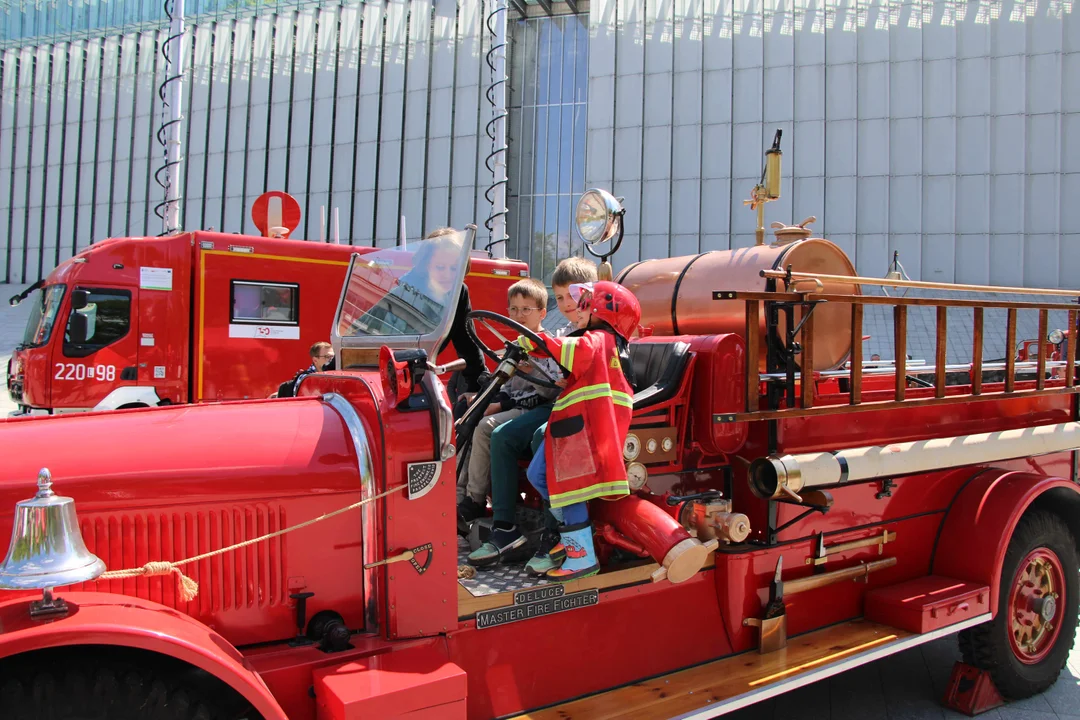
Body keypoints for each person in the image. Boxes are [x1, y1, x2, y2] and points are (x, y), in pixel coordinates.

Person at [516, 280, 641, 581]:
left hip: (582, 433)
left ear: (605, 310)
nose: (578, 308)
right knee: (538, 475)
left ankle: (581, 554)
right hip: (573, 429)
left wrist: (532, 341)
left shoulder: (598, 340)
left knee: (569, 486)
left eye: (586, 303)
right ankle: (569, 536)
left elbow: (567, 349)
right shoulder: (600, 343)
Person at [456, 279, 561, 522]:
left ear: (543, 313)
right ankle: (458, 496)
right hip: (515, 407)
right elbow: (507, 386)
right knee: (466, 418)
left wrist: (530, 371)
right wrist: (482, 399)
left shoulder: (549, 348)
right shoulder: (516, 345)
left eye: (526, 309)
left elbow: (549, 393)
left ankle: (475, 499)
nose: (519, 315)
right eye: (513, 309)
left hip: (535, 412)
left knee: (484, 428)